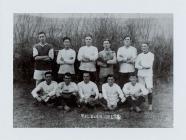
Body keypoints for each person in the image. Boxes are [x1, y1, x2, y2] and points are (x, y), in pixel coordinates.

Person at [135, 43, 154, 111]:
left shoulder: (151, 55)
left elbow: (149, 65)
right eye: (142, 46)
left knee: (149, 89)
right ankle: (139, 104)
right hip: (140, 74)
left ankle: (150, 105)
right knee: (142, 89)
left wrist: (141, 65)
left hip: (148, 74)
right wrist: (142, 66)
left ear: (148, 47)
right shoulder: (139, 55)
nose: (143, 47)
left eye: (145, 46)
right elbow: (136, 65)